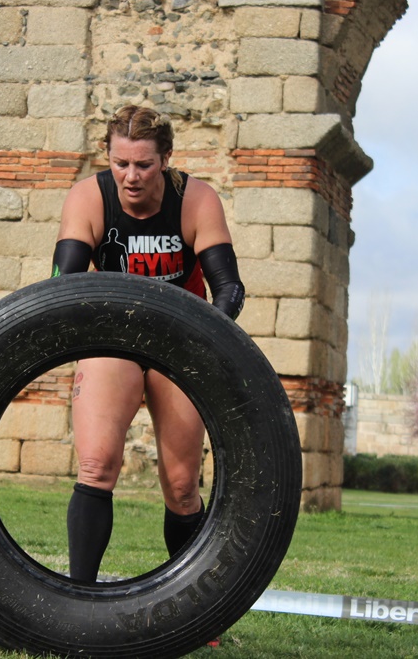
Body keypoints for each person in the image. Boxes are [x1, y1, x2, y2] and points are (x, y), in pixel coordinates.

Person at [51, 104, 246, 584]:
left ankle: (189, 605)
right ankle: (77, 604)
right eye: (121, 164)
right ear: (107, 156)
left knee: (182, 487)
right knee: (96, 465)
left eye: (144, 164)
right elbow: (60, 285)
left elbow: (230, 290)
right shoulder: (89, 198)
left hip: (180, 342)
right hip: (112, 337)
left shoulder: (196, 199)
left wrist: (206, 344)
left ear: (166, 159)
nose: (131, 177)